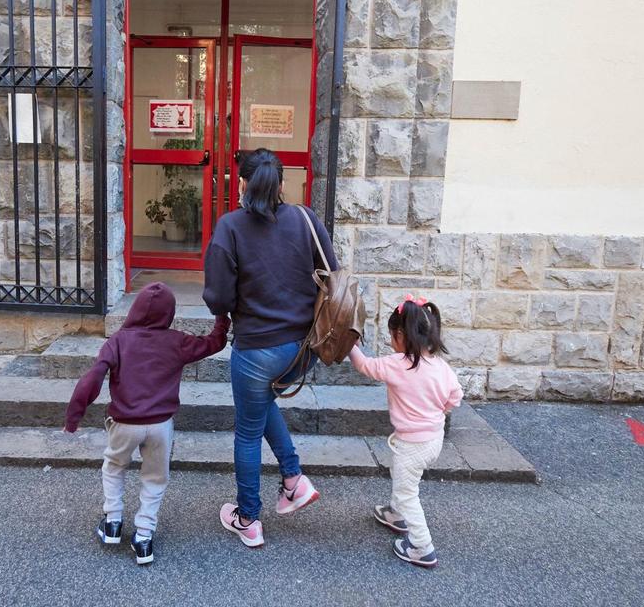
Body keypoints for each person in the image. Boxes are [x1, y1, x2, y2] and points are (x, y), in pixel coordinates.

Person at [203, 148, 337, 548]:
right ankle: (293, 480)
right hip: (304, 349)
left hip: (258, 351)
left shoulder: (230, 228)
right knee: (262, 406)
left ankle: (248, 518)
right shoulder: (306, 219)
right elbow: (332, 271)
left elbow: (217, 298)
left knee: (246, 431)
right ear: (281, 185)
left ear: (242, 184)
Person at [63, 281, 230, 565]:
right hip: (161, 425)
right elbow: (213, 343)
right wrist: (221, 318)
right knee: (155, 478)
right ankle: (143, 537)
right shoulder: (176, 341)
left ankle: (113, 522)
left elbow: (92, 378)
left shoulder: (117, 341)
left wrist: (73, 417)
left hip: (124, 422)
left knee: (114, 467)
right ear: (169, 313)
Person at [348, 294, 463, 568]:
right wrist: (438, 412)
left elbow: (364, 365)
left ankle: (422, 546)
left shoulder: (397, 364)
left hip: (411, 445)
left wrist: (351, 345)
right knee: (404, 479)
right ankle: (395, 514)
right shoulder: (441, 366)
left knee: (406, 492)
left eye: (391, 335)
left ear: (401, 334)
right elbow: (455, 397)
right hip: (433, 440)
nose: (391, 341)